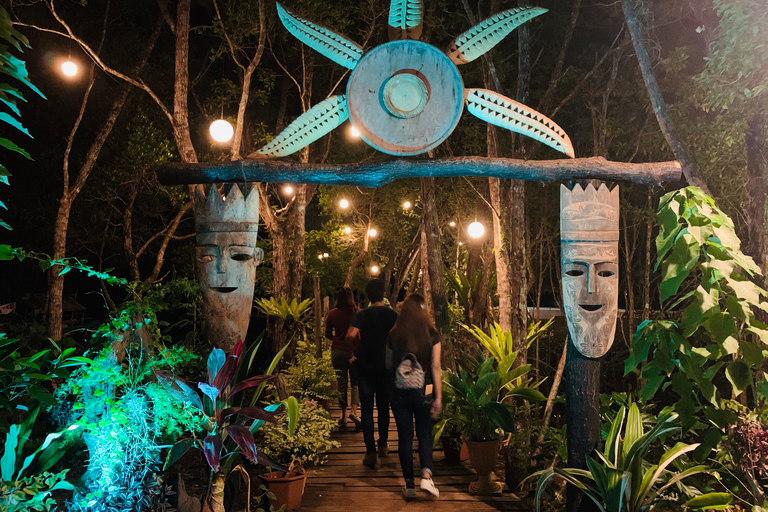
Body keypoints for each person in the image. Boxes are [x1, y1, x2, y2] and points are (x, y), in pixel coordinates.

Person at [385, 294, 442, 499]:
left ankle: (409, 485)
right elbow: (436, 367)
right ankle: (426, 476)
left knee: (405, 437)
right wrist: (439, 398)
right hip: (425, 392)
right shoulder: (431, 334)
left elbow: (388, 366)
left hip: (400, 393)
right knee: (425, 434)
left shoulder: (394, 334)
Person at [345, 279, 398, 469]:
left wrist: (352, 354)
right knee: (384, 407)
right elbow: (398, 339)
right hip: (385, 366)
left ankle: (370, 452)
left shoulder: (362, 315)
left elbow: (349, 336)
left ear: (368, 296)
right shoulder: (393, 315)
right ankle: (383, 445)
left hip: (365, 365)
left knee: (366, 409)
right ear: (383, 294)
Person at [325, 287, 360, 427]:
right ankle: (354, 412)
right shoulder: (357, 312)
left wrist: (336, 339)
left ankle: (343, 415)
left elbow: (327, 334)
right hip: (354, 351)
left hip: (338, 351)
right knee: (356, 383)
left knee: (341, 383)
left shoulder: (332, 314)